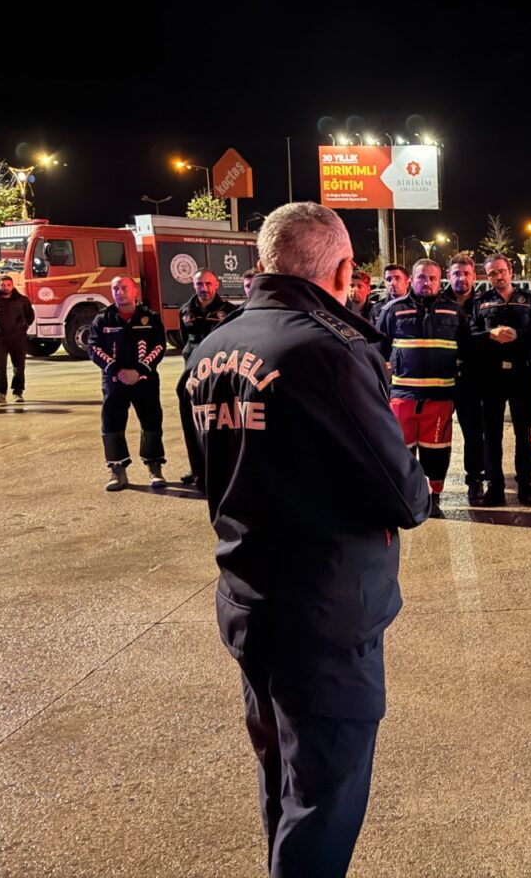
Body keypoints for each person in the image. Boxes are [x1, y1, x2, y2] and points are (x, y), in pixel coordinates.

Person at [179, 201, 429, 876]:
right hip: (324, 616)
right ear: (345, 269)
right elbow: (402, 495)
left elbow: (210, 476)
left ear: (262, 263)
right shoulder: (328, 353)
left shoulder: (208, 350)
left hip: (249, 601)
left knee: (285, 784)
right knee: (324, 801)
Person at [379, 258, 468, 519]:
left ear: (439, 280)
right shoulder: (392, 310)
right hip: (403, 397)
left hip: (440, 397)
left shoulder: (454, 311)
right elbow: (378, 351)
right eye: (421, 277)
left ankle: (434, 498)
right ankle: (404, 499)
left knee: (437, 452)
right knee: (401, 451)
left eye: (431, 278)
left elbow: (465, 349)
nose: (426, 282)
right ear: (412, 279)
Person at [471, 253, 531, 507]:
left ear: (510, 270)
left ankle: (526, 484)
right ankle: (495, 486)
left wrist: (518, 334)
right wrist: (490, 335)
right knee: (491, 434)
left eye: (501, 271)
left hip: (521, 374)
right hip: (491, 376)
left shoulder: (529, 301)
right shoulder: (480, 303)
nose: (497, 277)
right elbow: (471, 334)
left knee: (523, 433)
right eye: (492, 274)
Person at [88, 276, 168, 491]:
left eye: (124, 288)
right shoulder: (103, 319)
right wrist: (117, 370)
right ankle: (117, 470)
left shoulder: (150, 318)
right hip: (114, 381)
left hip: (145, 381)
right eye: (115, 288)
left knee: (151, 421)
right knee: (112, 423)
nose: (120, 292)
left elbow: (159, 346)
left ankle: (154, 467)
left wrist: (139, 371)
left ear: (135, 292)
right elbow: (94, 348)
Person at [178, 269, 239, 487]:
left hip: (218, 377)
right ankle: (198, 470)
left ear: (217, 285)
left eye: (208, 284)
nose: (203, 289)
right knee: (193, 424)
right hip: (193, 377)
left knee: (220, 425)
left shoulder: (229, 311)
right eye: (199, 284)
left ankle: (224, 469)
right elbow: (186, 341)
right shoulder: (186, 310)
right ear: (193, 285)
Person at [443, 254, 486, 506]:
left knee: (473, 433)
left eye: (467, 273)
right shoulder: (438, 302)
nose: (462, 278)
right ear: (449, 276)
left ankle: (475, 480)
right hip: (443, 378)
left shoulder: (483, 304)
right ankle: (433, 484)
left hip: (472, 379)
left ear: (474, 276)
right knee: (436, 434)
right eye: (457, 273)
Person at [0, 274, 36, 403]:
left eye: (8, 285)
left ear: (12, 286)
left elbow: (30, 316)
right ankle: (0, 393)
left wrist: (23, 328)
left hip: (17, 339)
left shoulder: (22, 300)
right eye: (2, 285)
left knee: (19, 366)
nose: (6, 288)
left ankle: (17, 392)